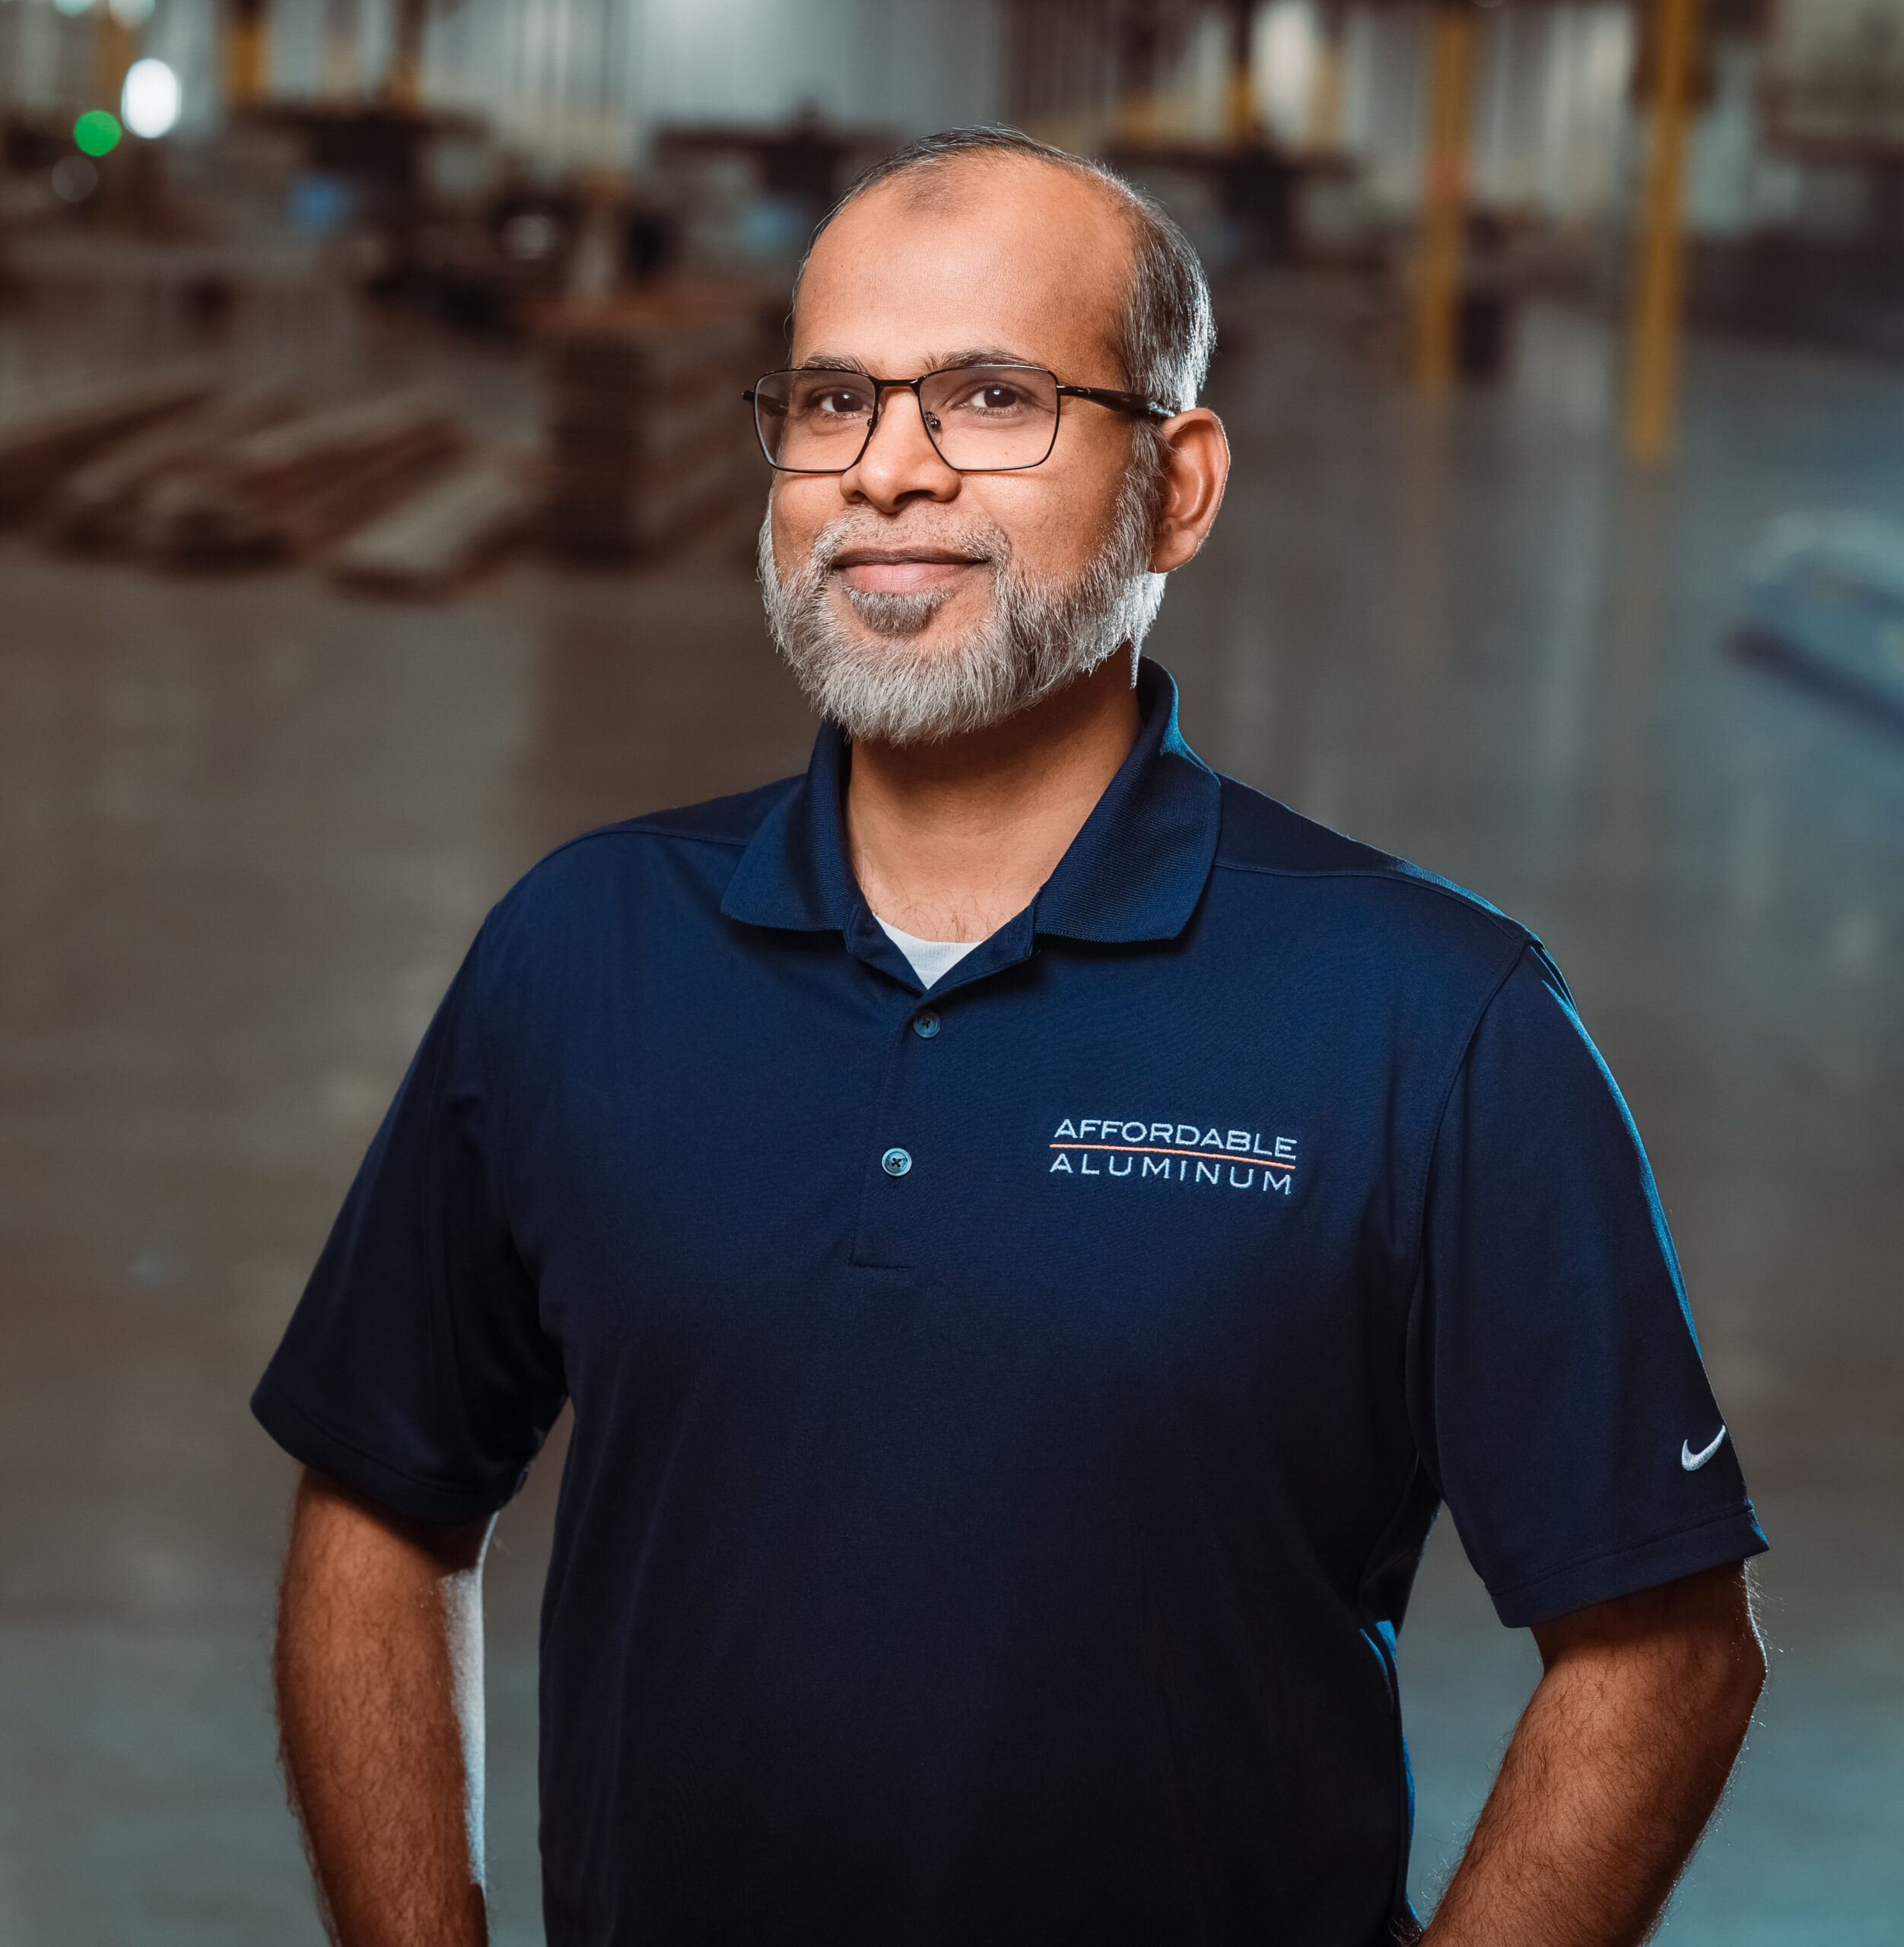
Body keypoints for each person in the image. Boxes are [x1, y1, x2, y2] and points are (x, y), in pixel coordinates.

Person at [256, 129, 1767, 1947]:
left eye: (989, 396)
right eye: (830, 400)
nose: (887, 469)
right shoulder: (583, 951)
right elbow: (379, 1503)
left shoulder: (1430, 1018)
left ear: (1177, 484)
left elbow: (1661, 1649)